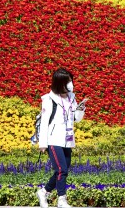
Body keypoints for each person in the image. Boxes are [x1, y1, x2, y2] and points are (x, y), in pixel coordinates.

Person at [36, 68, 87, 208]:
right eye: (68, 81)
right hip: (53, 139)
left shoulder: (71, 97)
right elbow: (45, 121)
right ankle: (61, 200)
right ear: (60, 83)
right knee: (61, 170)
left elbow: (76, 119)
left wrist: (81, 109)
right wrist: (43, 144)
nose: (71, 84)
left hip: (67, 139)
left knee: (62, 170)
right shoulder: (48, 99)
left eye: (71, 80)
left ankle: (43, 192)